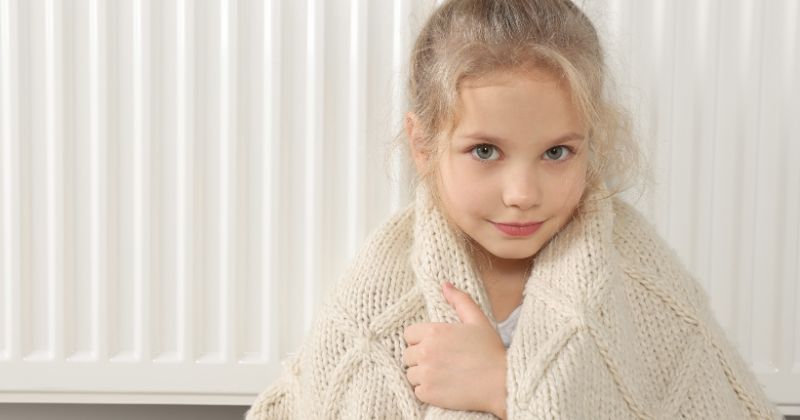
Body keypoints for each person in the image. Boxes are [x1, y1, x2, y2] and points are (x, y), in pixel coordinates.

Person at [246, 0, 783, 418]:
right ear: (424, 145)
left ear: (589, 140)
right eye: (485, 151)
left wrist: (505, 389)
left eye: (556, 152)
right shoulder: (379, 294)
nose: (522, 192)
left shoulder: (639, 279)